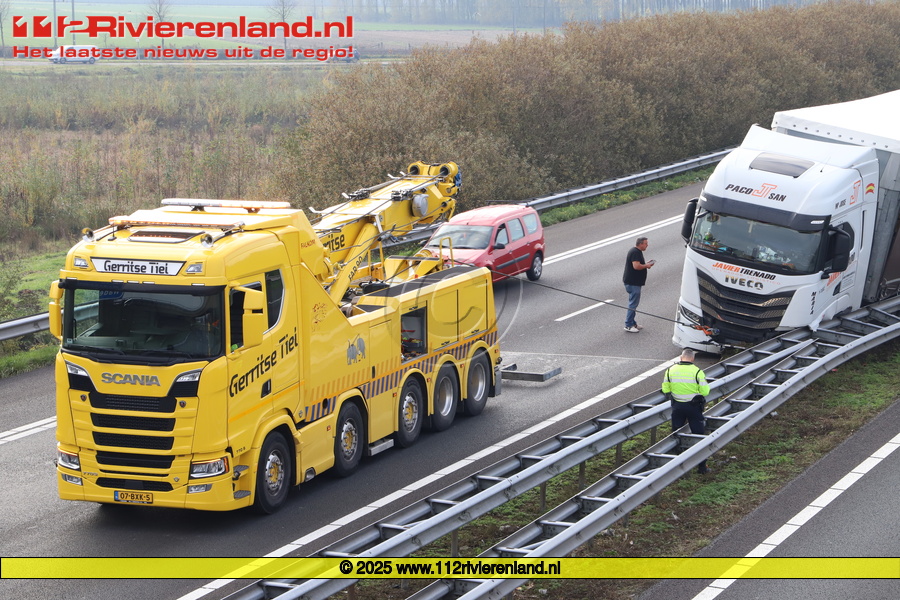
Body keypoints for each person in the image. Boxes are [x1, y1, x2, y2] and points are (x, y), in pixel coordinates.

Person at [662, 348, 711, 474]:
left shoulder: (670, 370)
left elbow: (666, 389)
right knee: (699, 436)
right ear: (693, 359)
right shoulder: (697, 372)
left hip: (677, 407)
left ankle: (678, 465)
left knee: (677, 434)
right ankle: (702, 467)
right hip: (693, 407)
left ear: (681, 357)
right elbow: (705, 391)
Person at [622, 237, 655, 332]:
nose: (647, 245)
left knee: (633, 303)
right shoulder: (635, 252)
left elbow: (638, 264)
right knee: (633, 304)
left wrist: (645, 264)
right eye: (645, 243)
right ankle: (628, 325)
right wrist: (646, 265)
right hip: (633, 283)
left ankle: (632, 323)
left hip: (633, 282)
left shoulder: (635, 251)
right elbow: (636, 266)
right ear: (640, 244)